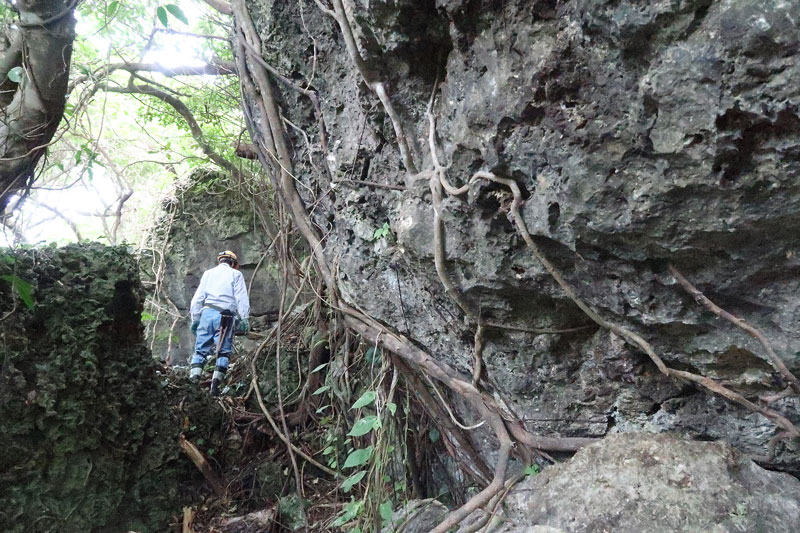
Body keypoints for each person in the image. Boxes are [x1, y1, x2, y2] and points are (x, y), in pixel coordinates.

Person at [189, 250, 250, 396]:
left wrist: (195, 319)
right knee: (223, 352)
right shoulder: (236, 274)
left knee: (200, 350)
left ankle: (192, 384)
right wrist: (244, 317)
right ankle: (214, 389)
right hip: (225, 316)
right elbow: (241, 297)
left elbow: (197, 298)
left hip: (206, 314)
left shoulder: (208, 274)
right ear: (234, 263)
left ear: (220, 261)